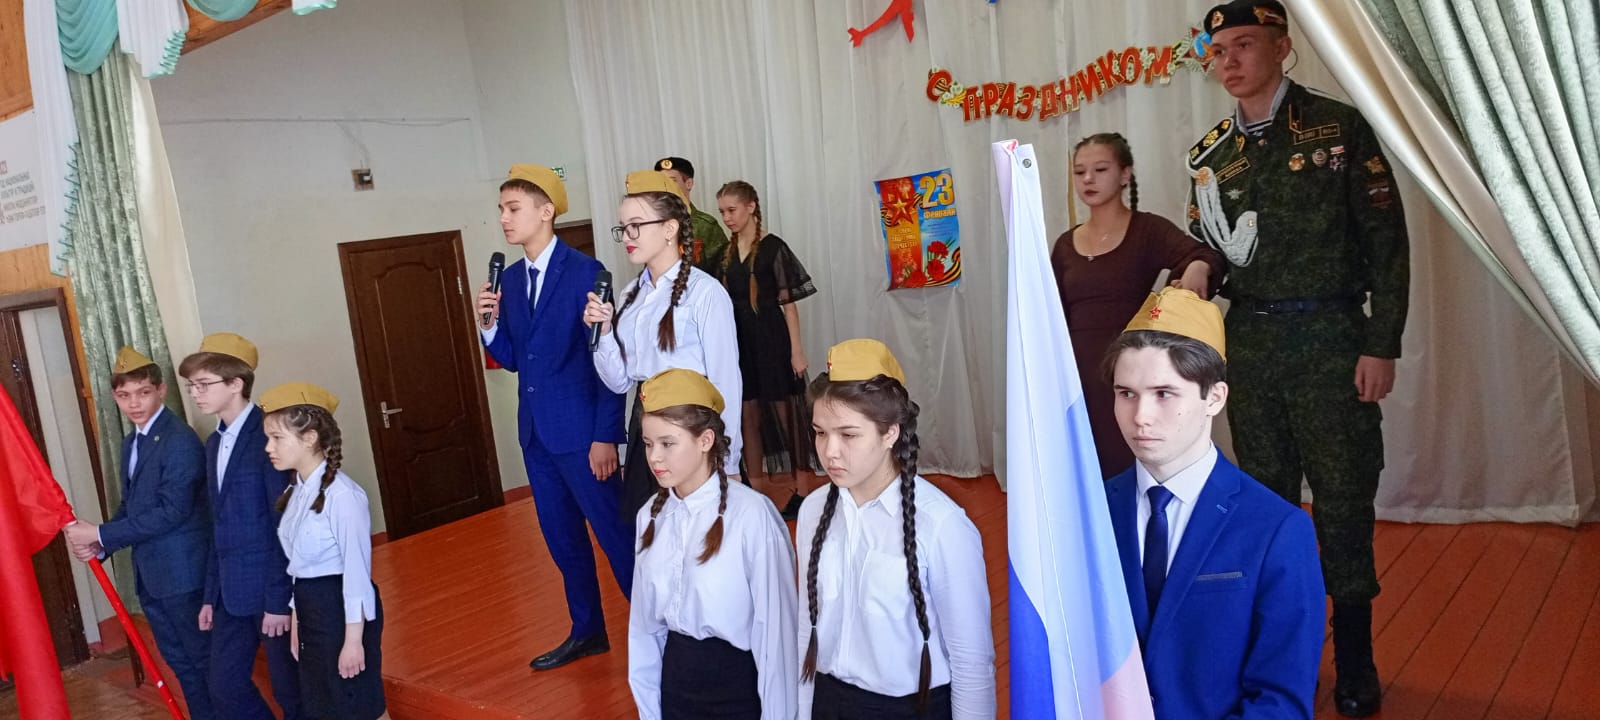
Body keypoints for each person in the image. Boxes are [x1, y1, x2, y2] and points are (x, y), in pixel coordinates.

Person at [1186, 2, 1409, 715]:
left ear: (1283, 47)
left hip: (1332, 340)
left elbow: (1386, 242)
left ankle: (1356, 659)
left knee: (1343, 501)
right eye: (1218, 50)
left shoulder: (1337, 129)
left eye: (1244, 45)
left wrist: (1381, 343)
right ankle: (1283, 653)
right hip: (1252, 347)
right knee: (1267, 508)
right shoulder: (1211, 155)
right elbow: (1214, 247)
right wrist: (1199, 269)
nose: (1229, 61)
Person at [1103, 287, 1324, 719]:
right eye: (1126, 393)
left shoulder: (1277, 529)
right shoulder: (1089, 512)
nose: (1141, 416)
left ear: (1215, 398)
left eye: (1164, 393)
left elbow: (1282, 701)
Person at [476, 164, 633, 671]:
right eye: (501, 209)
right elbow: (516, 359)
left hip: (584, 437)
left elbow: (606, 358)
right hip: (538, 438)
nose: (504, 218)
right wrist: (489, 326)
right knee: (564, 542)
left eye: (513, 208)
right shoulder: (511, 279)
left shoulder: (585, 271)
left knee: (616, 539)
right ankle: (587, 632)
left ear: (546, 211)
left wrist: (606, 435)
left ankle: (661, 634)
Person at [797, 339, 995, 720]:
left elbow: (972, 664)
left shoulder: (942, 526)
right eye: (820, 432)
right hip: (829, 701)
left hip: (909, 709)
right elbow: (808, 627)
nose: (830, 451)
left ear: (890, 433)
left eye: (848, 434)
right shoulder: (813, 512)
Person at [627, 369, 797, 719]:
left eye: (667, 443)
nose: (654, 457)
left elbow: (775, 636)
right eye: (648, 444)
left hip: (736, 690)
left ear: (705, 440)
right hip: (676, 686)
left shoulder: (751, 515)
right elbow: (644, 630)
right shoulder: (650, 517)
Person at [1050, 133, 1223, 478]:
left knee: (1129, 464)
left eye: (1100, 169)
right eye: (1080, 172)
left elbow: (1205, 254)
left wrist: (1197, 267)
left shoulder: (1147, 230)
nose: (1088, 179)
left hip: (1130, 371)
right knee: (1083, 468)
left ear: (1125, 174)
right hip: (1075, 376)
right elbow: (1053, 316)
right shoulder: (1066, 244)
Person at [63, 347, 215, 719]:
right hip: (153, 575)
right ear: (115, 397)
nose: (134, 403)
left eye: (143, 392)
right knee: (182, 664)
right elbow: (132, 506)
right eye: (124, 395)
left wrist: (101, 532)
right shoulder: (132, 441)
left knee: (204, 664)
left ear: (161, 390)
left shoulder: (178, 440)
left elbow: (172, 512)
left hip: (183, 577)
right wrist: (101, 544)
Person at [585, 170, 743, 518]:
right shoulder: (630, 295)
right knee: (648, 530)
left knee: (697, 533)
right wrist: (605, 333)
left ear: (670, 228)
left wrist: (729, 460)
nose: (628, 237)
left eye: (637, 225)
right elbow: (619, 382)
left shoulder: (705, 293)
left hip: (691, 430)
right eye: (623, 228)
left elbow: (726, 381)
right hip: (645, 428)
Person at [178, 333, 301, 720]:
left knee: (291, 691)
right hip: (230, 591)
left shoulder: (268, 436)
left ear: (235, 384)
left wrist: (279, 600)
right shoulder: (214, 444)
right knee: (224, 686)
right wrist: (210, 595)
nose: (195, 394)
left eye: (203, 384)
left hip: (269, 589)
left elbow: (284, 525)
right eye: (191, 386)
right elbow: (219, 525)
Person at [261, 383, 390, 720]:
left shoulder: (343, 496)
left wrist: (353, 640)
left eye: (277, 438)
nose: (269, 447)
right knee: (323, 706)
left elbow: (357, 574)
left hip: (339, 610)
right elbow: (298, 566)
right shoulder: (298, 490)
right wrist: (296, 618)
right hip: (311, 608)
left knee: (360, 706)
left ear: (309, 438)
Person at [717, 180, 820, 517]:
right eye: (722, 212)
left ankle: (803, 491)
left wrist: (797, 351)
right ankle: (756, 492)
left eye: (732, 210)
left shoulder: (774, 247)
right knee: (748, 415)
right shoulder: (725, 255)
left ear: (751, 207)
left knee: (787, 413)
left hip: (773, 341)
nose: (727, 218)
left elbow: (789, 305)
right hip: (741, 344)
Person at [656, 156, 730, 274]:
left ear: (689, 183)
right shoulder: (654, 225)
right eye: (661, 182)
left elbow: (723, 271)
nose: (666, 187)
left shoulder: (705, 226)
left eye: (672, 181)